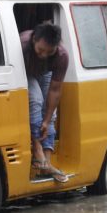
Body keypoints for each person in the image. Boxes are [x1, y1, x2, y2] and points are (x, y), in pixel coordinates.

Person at [21, 22, 69, 183]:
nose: (44, 55)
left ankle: (46, 164)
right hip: (24, 70)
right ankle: (37, 152)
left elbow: (55, 90)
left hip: (45, 72)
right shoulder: (22, 44)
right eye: (41, 50)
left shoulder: (61, 56)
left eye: (50, 52)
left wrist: (47, 120)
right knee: (35, 100)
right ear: (34, 39)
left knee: (50, 112)